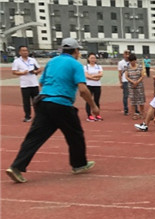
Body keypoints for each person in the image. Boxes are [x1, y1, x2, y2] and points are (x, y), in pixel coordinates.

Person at [5, 38, 98, 184]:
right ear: (76, 51)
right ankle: (79, 165)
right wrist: (93, 106)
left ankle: (16, 167)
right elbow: (83, 90)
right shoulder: (75, 64)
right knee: (75, 135)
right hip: (61, 103)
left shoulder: (52, 61)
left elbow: (42, 82)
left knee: (34, 137)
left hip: (43, 102)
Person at [12, 45, 42, 122]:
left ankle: (38, 116)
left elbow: (39, 69)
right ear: (19, 52)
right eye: (23, 50)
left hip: (34, 83)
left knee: (36, 101)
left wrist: (35, 71)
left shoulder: (32, 60)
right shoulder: (17, 61)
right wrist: (22, 72)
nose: (25, 52)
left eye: (26, 50)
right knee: (26, 102)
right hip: (25, 84)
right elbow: (14, 72)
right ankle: (27, 116)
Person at [124, 53, 146, 120]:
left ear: (135, 60)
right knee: (133, 100)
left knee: (141, 100)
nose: (132, 62)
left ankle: (142, 113)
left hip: (139, 85)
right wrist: (132, 82)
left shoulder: (139, 67)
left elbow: (142, 75)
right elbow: (126, 76)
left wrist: (137, 82)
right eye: (131, 61)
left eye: (133, 61)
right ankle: (134, 114)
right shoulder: (127, 67)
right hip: (131, 86)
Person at [84, 52, 103, 122]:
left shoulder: (98, 66)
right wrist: (95, 77)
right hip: (89, 85)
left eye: (94, 58)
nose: (93, 59)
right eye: (91, 58)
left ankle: (97, 114)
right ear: (88, 59)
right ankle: (89, 115)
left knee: (96, 100)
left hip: (97, 85)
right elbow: (86, 76)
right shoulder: (86, 67)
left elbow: (101, 74)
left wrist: (92, 76)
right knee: (89, 100)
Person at [118, 49, 134, 115]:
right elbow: (119, 73)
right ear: (123, 55)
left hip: (133, 80)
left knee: (133, 96)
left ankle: (135, 109)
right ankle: (126, 109)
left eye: (128, 54)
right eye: (126, 54)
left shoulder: (132, 62)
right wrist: (120, 82)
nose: (127, 55)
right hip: (125, 81)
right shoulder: (121, 63)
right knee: (125, 96)